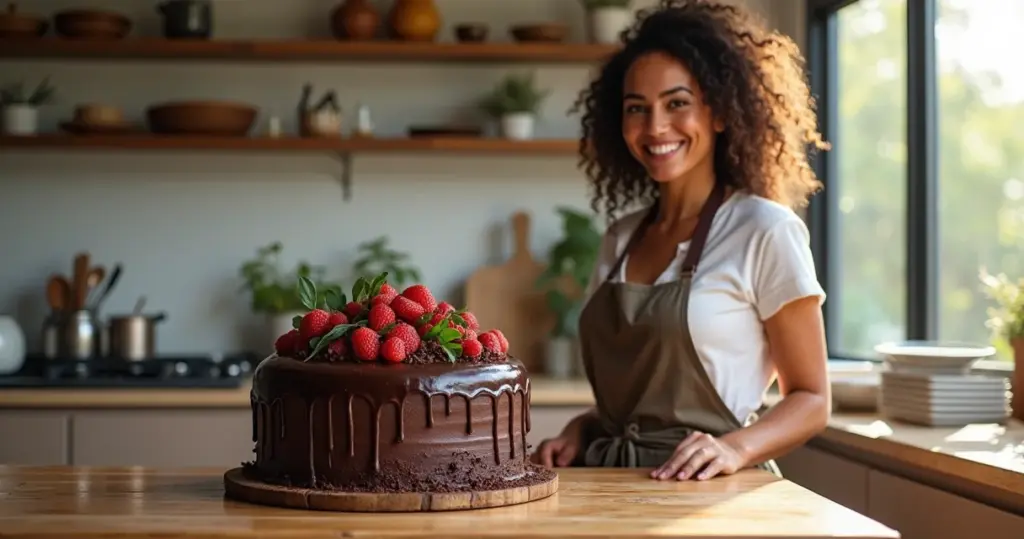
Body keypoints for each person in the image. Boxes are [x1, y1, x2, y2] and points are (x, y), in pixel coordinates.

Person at [530, 0, 832, 481]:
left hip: (711, 493)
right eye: (637, 109)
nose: (655, 127)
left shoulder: (764, 230)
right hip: (605, 485)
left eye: (677, 103)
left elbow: (813, 400)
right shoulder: (620, 238)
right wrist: (580, 429)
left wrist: (736, 449)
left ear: (718, 112)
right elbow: (634, 408)